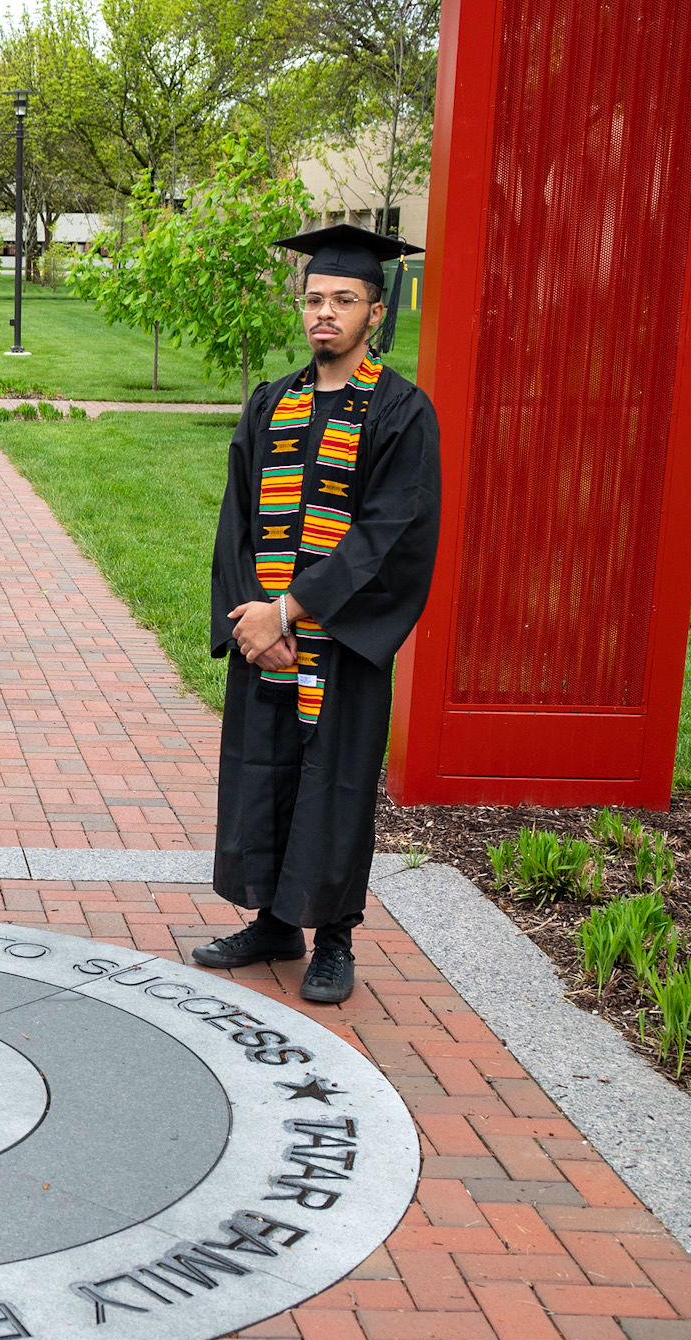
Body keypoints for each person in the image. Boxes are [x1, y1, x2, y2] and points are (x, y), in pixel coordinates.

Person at [192, 223, 441, 1005]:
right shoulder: (274, 402)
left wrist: (292, 612)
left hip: (341, 641)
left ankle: (333, 936)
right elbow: (237, 519)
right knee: (265, 775)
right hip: (265, 638)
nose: (323, 313)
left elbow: (387, 536)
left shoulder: (400, 412)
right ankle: (274, 921)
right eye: (314, 299)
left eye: (343, 299)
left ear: (376, 311)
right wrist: (249, 622)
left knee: (335, 785)